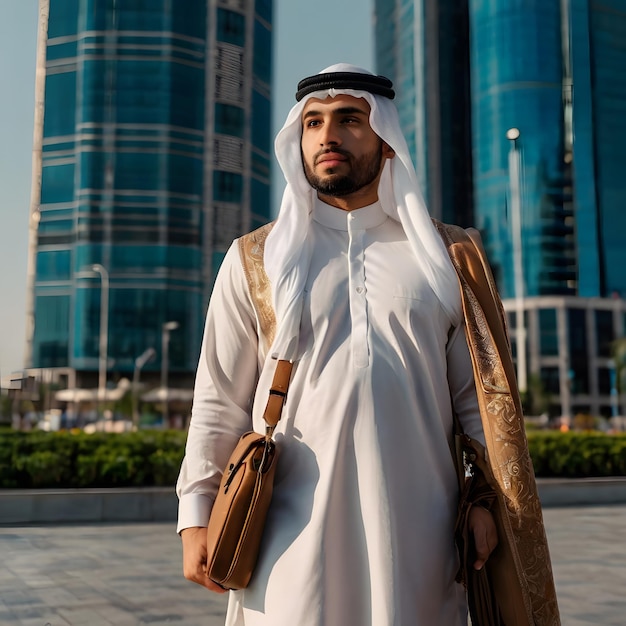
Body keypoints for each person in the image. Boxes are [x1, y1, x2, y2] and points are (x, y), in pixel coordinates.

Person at [177, 64, 557, 625]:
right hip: (287, 536)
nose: (327, 136)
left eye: (348, 119)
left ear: (385, 139)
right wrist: (195, 516)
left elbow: (480, 405)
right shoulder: (257, 259)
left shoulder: (448, 256)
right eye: (313, 123)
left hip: (420, 532)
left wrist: (487, 504)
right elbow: (219, 398)